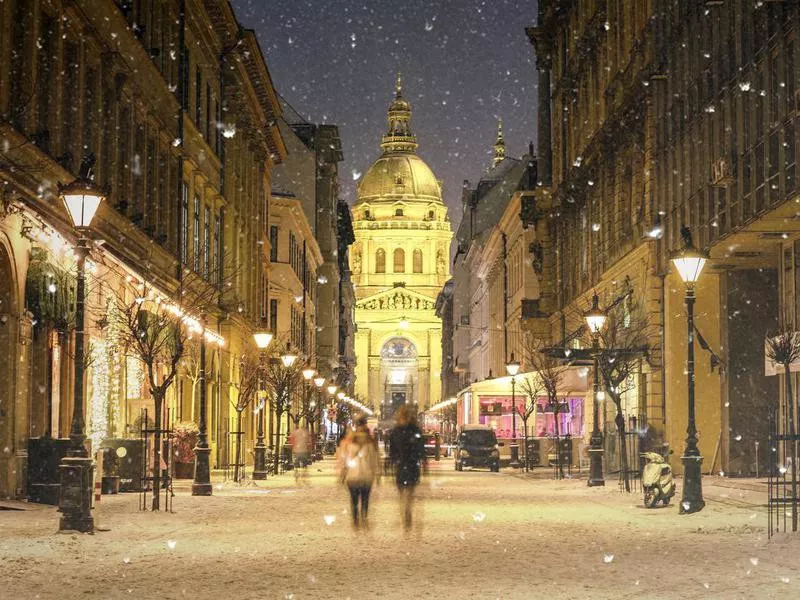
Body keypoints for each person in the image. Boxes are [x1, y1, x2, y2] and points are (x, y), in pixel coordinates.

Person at [335, 415, 381, 530]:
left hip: (353, 475)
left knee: (354, 500)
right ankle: (364, 519)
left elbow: (343, 459)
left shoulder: (349, 442)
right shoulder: (370, 442)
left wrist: (342, 473)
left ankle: (356, 521)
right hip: (366, 475)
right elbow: (374, 459)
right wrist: (378, 473)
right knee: (365, 499)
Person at [389, 404, 426, 531]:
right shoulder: (415, 430)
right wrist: (423, 462)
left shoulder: (396, 431)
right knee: (409, 493)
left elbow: (391, 451)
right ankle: (407, 511)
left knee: (402, 494)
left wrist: (391, 462)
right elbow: (421, 449)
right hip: (411, 465)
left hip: (402, 465)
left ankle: (405, 512)